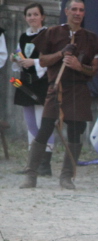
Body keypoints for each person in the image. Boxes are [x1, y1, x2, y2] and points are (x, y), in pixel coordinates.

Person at [19, 0, 98, 190]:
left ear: (84, 14)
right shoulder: (52, 33)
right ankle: (31, 174)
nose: (77, 13)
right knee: (45, 129)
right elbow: (42, 60)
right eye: (74, 9)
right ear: (66, 11)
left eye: (81, 10)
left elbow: (94, 70)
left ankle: (67, 176)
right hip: (56, 88)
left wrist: (78, 66)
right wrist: (60, 53)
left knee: (76, 132)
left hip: (79, 90)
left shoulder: (92, 38)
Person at [11, 3, 53, 177]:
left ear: (42, 16)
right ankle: (32, 163)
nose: (32, 17)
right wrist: (17, 60)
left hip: (42, 83)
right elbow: (19, 54)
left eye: (36, 14)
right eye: (29, 15)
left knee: (43, 124)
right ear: (25, 17)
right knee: (30, 125)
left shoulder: (49, 35)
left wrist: (34, 62)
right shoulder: (23, 36)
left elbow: (51, 58)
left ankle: (45, 163)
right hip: (25, 83)